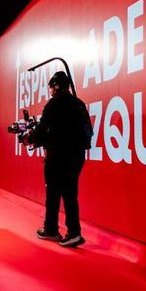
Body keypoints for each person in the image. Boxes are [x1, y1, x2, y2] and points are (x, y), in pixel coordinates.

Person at [31, 71, 89, 247]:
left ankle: (52, 230)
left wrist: (30, 138)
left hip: (58, 156)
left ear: (55, 87)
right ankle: (73, 232)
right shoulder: (79, 104)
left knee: (53, 192)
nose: (50, 91)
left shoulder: (54, 104)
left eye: (51, 88)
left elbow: (42, 128)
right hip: (77, 156)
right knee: (70, 193)